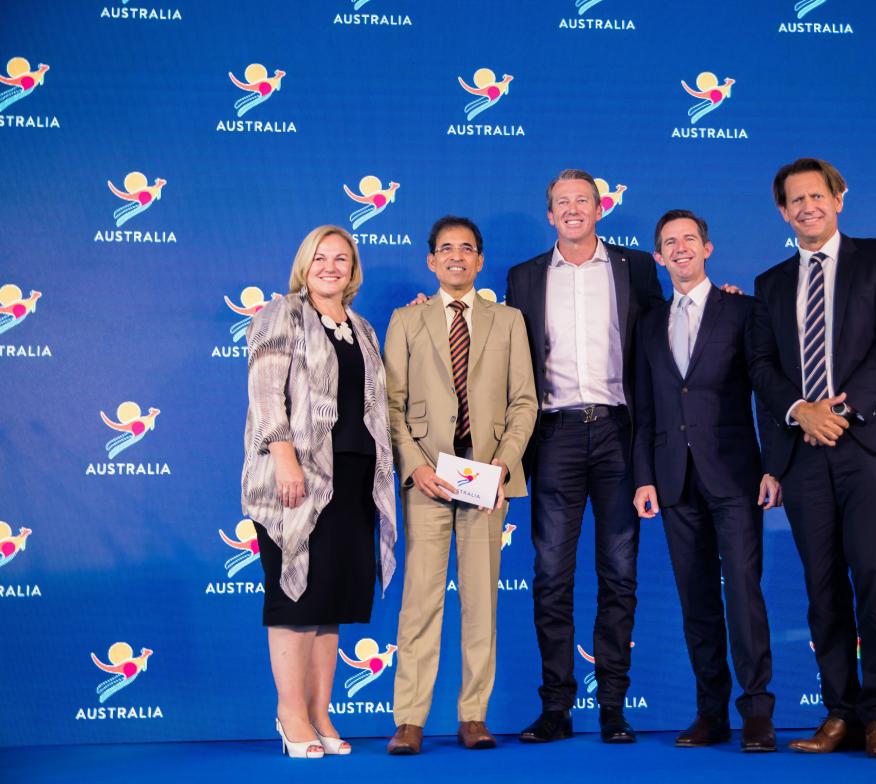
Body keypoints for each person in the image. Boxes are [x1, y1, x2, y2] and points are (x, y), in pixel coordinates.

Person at [755, 158, 876, 758]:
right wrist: (802, 411)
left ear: (838, 199)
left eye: (816, 196)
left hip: (867, 444)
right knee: (822, 590)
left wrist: (842, 413)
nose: (806, 207)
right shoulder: (770, 284)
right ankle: (840, 713)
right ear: (782, 212)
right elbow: (762, 368)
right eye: (794, 200)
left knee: (875, 579)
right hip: (804, 455)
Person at [506, 169, 665, 744]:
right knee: (550, 576)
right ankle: (555, 708)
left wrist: (715, 298)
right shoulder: (522, 277)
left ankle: (614, 708)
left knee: (619, 574)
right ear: (550, 215)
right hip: (555, 437)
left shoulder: (636, 269)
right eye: (561, 203)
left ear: (601, 209)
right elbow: (503, 353)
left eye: (583, 201)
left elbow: (667, 338)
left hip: (621, 435)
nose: (573, 210)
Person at [632, 210, 789, 752]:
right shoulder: (649, 322)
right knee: (696, 602)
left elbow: (767, 394)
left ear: (708, 247)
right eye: (669, 243)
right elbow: (647, 409)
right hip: (674, 482)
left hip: (735, 477)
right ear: (657, 257)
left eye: (689, 240)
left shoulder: (743, 310)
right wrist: (644, 478)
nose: (680, 249)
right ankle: (710, 713)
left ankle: (758, 714)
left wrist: (774, 464)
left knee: (744, 596)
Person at [241, 225, 398, 759]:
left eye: (342, 259)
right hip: (299, 477)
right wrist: (284, 458)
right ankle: (290, 715)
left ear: (353, 270)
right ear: (304, 264)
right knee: (297, 597)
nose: (331, 267)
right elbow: (266, 395)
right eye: (320, 258)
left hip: (354, 479)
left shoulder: (363, 327)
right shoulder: (280, 314)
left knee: (331, 601)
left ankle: (320, 710)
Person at [384, 216, 538, 754]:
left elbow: (524, 402)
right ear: (431, 260)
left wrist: (500, 466)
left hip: (485, 477)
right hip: (426, 477)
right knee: (420, 601)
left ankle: (473, 714)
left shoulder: (509, 321)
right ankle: (409, 718)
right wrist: (415, 465)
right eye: (445, 248)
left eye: (466, 249)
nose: (456, 256)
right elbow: (391, 406)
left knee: (481, 601)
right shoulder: (406, 322)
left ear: (480, 261)